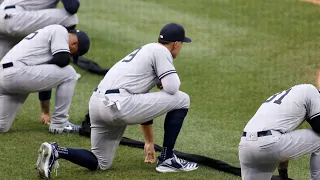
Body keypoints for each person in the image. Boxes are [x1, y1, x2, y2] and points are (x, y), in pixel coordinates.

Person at [35, 23, 199, 179]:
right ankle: (168, 159)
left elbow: (145, 101)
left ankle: (57, 151)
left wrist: (149, 142)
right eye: (181, 44)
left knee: (101, 162)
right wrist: (162, 82)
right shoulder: (161, 51)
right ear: (176, 44)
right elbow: (172, 87)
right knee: (182, 99)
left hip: (97, 104)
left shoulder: (145, 52)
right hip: (118, 104)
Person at [0, 24, 90, 133]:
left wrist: (45, 112)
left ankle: (58, 123)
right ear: (75, 43)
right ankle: (60, 123)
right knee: (70, 73)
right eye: (74, 53)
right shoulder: (60, 30)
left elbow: (47, 79)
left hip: (7, 75)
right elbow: (63, 59)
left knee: (2, 126)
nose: (70, 54)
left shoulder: (48, 39)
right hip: (17, 72)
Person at [239, 84, 320, 180]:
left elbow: (284, 140)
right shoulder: (312, 91)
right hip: (269, 143)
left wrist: (283, 176)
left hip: (245, 146)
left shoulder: (291, 99)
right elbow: (318, 126)